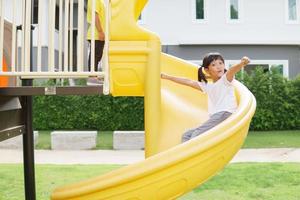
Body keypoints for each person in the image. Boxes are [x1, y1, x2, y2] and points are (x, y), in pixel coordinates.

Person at [161, 52, 250, 143]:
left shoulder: (226, 80)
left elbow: (232, 70)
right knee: (187, 135)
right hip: (216, 117)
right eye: (214, 65)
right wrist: (167, 77)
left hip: (225, 113)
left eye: (221, 63)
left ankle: (193, 154)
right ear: (207, 70)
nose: (219, 66)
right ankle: (188, 155)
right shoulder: (208, 86)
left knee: (197, 134)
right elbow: (188, 82)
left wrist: (242, 63)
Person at [86, 0, 106, 85]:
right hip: (96, 33)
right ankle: (92, 78)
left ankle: (94, 76)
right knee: (95, 55)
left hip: (97, 33)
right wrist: (100, 31)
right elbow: (95, 15)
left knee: (97, 55)